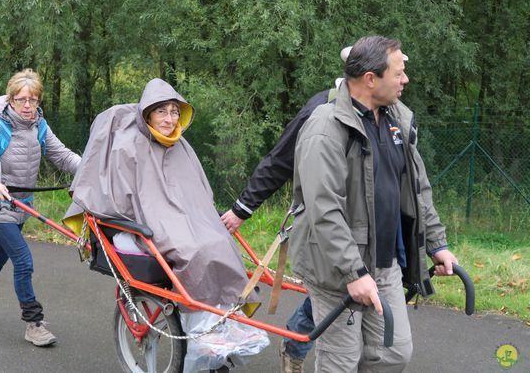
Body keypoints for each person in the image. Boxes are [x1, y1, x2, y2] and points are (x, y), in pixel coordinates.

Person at [65, 78, 267, 371]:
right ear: (147, 114)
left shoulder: (181, 146)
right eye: (162, 112)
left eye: (174, 112)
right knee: (195, 252)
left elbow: (197, 193)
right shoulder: (127, 146)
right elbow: (121, 199)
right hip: (151, 223)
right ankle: (203, 336)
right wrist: (155, 220)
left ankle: (222, 327)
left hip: (185, 219)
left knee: (221, 244)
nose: (170, 119)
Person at [291, 35, 458, 372]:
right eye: (398, 73)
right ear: (370, 79)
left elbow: (417, 188)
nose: (405, 80)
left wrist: (437, 244)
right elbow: (324, 210)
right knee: (341, 361)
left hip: (385, 263)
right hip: (337, 271)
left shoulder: (397, 121)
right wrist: (353, 272)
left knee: (393, 353)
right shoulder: (325, 129)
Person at [221, 49, 351, 373]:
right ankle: (296, 343)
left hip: (363, 224)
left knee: (352, 292)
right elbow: (279, 161)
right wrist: (241, 210)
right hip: (325, 223)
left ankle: (304, 342)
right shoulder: (322, 109)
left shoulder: (384, 116)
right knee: (337, 291)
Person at [0, 69, 81, 346]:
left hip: (21, 206)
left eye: (33, 100)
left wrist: (90, 168)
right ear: (11, 99)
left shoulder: (39, 125)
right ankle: (33, 322)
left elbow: (62, 156)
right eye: (21, 100)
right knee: (23, 261)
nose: (27, 106)